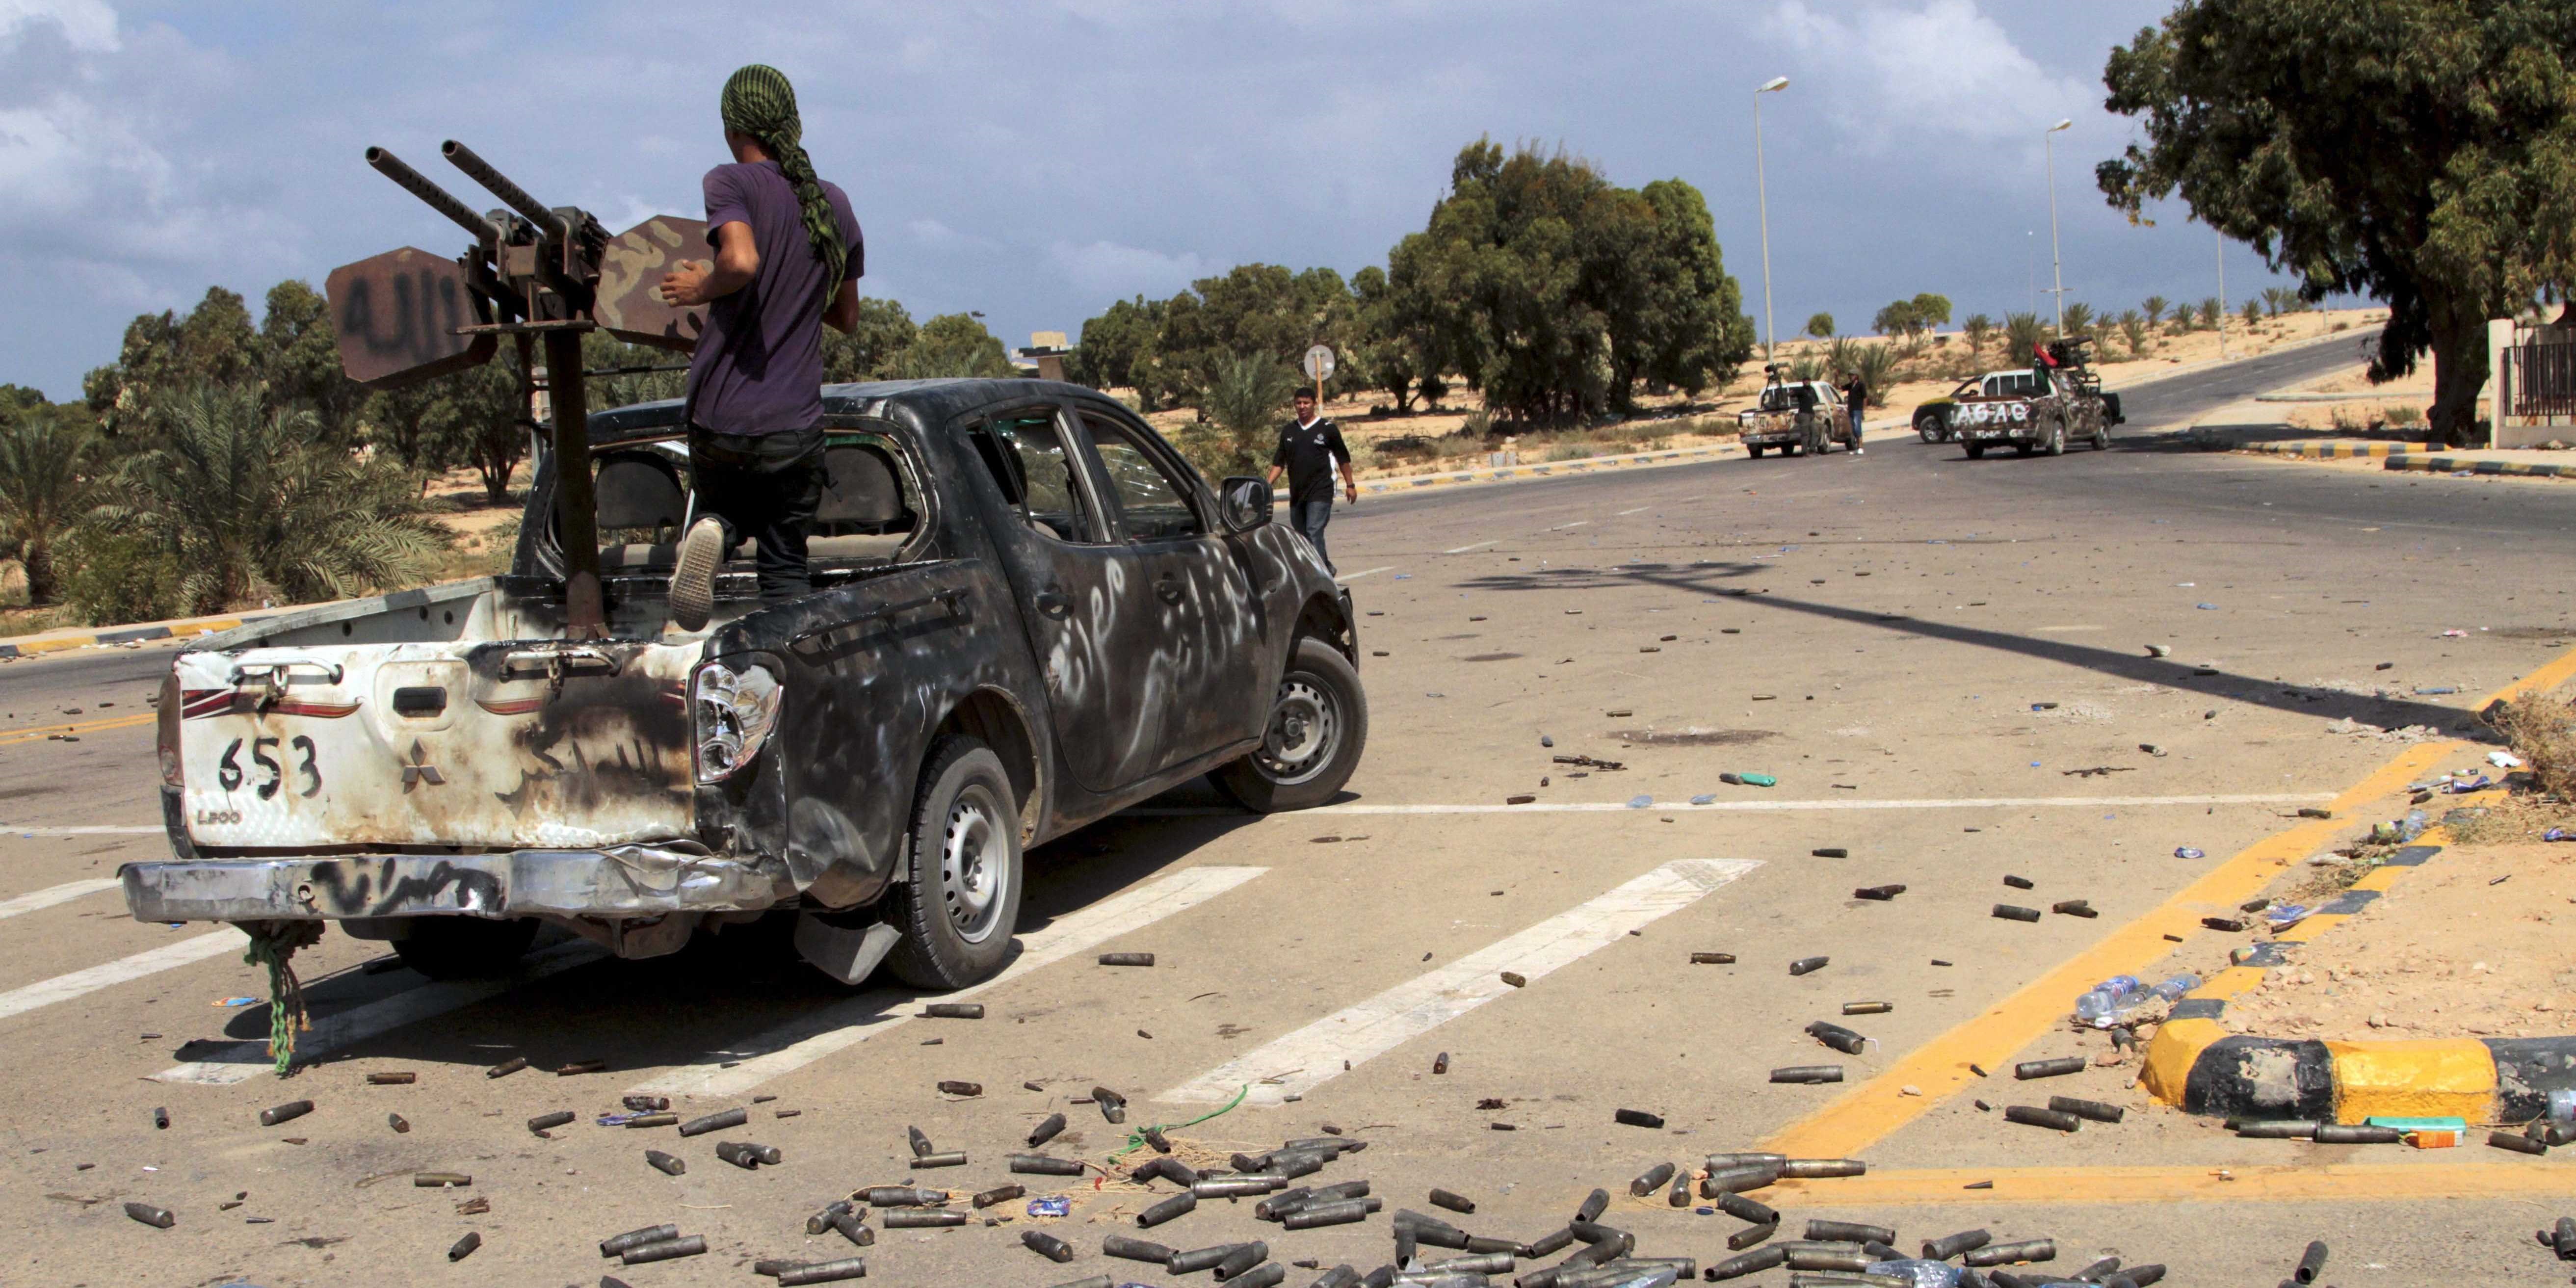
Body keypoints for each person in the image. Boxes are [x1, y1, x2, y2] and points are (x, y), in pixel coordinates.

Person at [655, 64, 865, 631]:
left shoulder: (729, 182)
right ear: (791, 123)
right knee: (785, 565)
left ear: (732, 129)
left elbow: (741, 260)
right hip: (793, 425)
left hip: (721, 414)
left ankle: (718, 531)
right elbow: (846, 316)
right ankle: (784, 674)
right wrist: (795, 290)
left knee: (726, 504)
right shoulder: (834, 204)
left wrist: (701, 286)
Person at [1265, 389, 1355, 573]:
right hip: (1298, 493)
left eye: (1306, 403)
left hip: (1321, 491)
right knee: (1303, 537)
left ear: (1314, 403)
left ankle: (1321, 576)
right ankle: (1327, 567)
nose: (1302, 407)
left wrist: (1350, 485)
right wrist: (1266, 485)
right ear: (1294, 405)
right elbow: (1279, 463)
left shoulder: (1327, 429)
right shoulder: (1289, 431)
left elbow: (1343, 459)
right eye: (1299, 403)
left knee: (1314, 531)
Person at [1840, 373, 1867, 455]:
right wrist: (1837, 377)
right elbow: (1839, 387)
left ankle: (1860, 447)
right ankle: (1858, 446)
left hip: (1858, 409)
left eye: (1852, 375)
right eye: (1850, 376)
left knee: (1857, 428)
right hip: (1851, 410)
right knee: (1853, 429)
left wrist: (1863, 410)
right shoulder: (1850, 386)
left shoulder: (1861, 385)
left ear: (1856, 376)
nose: (1851, 377)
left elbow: (1865, 398)